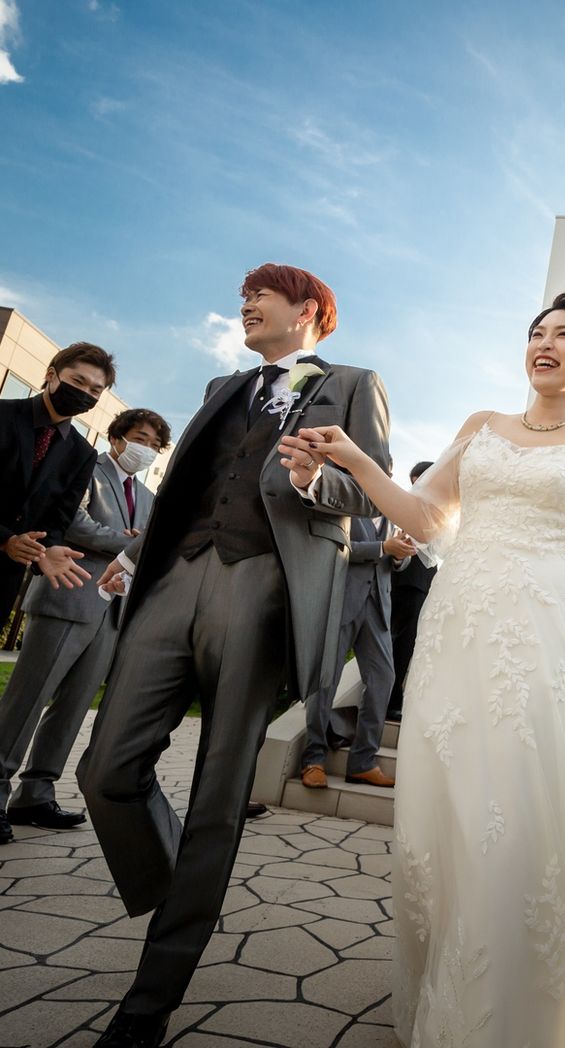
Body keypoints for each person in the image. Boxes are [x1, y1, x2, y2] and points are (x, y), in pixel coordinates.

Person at [278, 291, 565, 1046]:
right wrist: (354, 460)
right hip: (458, 629)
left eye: (563, 335)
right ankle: (460, 981)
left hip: (545, 633)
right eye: (537, 333)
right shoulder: (481, 426)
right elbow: (423, 519)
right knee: (456, 804)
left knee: (524, 808)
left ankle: (531, 1007)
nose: (545, 344)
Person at [77, 264, 390, 1048]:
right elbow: (191, 485)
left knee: (219, 793)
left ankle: (148, 1004)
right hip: (175, 578)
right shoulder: (224, 387)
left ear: (308, 309)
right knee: (105, 769)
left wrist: (317, 481)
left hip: (265, 587)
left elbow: (373, 493)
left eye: (261, 294)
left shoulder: (353, 384)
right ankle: (187, 880)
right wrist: (136, 555)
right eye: (244, 295)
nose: (245, 304)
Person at [0, 408, 169, 844]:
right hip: (67, 595)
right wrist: (128, 545)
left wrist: (139, 549)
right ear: (117, 436)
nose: (147, 449)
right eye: (140, 438)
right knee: (27, 700)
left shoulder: (149, 496)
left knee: (72, 707)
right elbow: (72, 523)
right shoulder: (86, 468)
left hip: (111, 611)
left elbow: (152, 545)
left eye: (154, 445)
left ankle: (35, 793)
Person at [0, 342, 115, 625]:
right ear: (51, 375)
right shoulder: (3, 414)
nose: (85, 393)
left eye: (95, 390)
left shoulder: (83, 453)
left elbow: (59, 517)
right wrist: (4, 539)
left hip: (4, 577)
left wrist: (47, 548)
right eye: (78, 381)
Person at [299, 512, 410, 791]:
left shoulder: (392, 514)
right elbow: (334, 547)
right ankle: (313, 759)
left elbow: (399, 562)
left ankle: (363, 762)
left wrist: (400, 555)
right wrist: (383, 547)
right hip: (341, 602)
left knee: (384, 679)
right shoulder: (345, 505)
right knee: (325, 681)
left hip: (378, 608)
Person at [386, 461, 436, 722]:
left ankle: (392, 698)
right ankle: (391, 700)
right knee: (401, 642)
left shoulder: (438, 508)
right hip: (406, 579)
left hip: (421, 581)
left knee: (406, 642)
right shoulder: (409, 506)